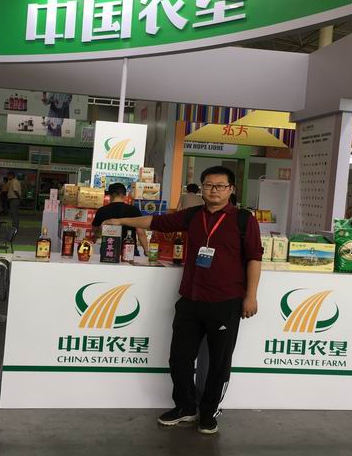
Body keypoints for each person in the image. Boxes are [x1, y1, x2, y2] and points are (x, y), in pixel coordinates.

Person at [104, 166, 263, 435]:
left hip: (226, 300)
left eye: (220, 186)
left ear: (231, 190)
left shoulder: (244, 220)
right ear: (201, 189)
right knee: (179, 358)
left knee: (218, 362)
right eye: (208, 185)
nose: (214, 190)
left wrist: (251, 296)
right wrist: (121, 221)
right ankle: (186, 407)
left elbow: (254, 259)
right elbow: (156, 222)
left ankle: (209, 413)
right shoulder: (192, 215)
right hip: (190, 298)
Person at [92, 183, 148, 256]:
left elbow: (95, 230)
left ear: (110, 196)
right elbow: (141, 233)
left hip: (108, 250)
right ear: (125, 195)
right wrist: (146, 251)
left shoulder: (101, 211)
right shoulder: (134, 210)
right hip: (129, 250)